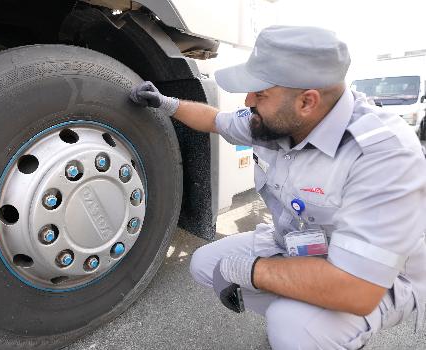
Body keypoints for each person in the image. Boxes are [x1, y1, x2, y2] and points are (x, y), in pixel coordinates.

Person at [129, 25, 426, 350]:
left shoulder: (383, 155)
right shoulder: (273, 122)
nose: (248, 100)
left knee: (292, 325)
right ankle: (305, 321)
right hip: (301, 245)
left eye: (261, 93)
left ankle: (320, 333)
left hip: (378, 278)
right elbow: (214, 119)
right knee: (205, 265)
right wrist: (165, 103)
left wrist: (252, 271)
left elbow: (358, 287)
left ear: (306, 102)